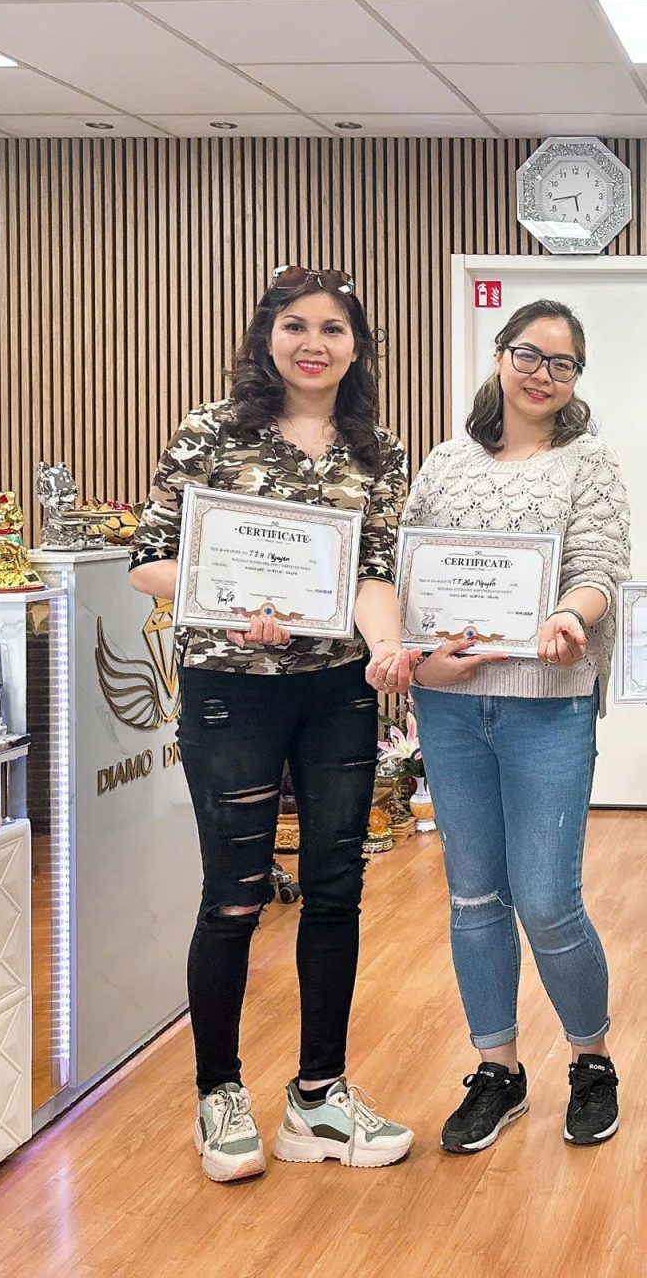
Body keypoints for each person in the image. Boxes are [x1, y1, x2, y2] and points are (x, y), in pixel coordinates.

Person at [129, 265, 416, 1184]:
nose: (313, 344)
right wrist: (232, 599)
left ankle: (318, 1096)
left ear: (357, 348)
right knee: (235, 894)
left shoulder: (379, 452)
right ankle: (218, 1094)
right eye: (296, 325)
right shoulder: (210, 432)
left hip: (337, 692)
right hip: (232, 688)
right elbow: (149, 561)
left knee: (336, 890)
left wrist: (386, 648)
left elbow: (375, 573)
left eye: (333, 329)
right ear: (267, 336)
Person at [403, 298, 632, 1155]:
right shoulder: (444, 462)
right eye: (529, 355)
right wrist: (423, 660)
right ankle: (497, 1071)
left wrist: (571, 615)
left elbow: (601, 566)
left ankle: (591, 1061)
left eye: (562, 364)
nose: (543, 374)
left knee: (546, 899)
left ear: (576, 379)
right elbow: (408, 573)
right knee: (473, 896)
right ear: (501, 355)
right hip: (451, 704)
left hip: (547, 700)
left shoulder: (589, 460)